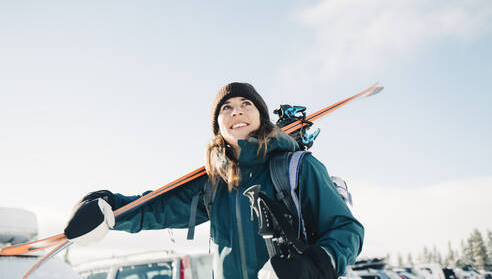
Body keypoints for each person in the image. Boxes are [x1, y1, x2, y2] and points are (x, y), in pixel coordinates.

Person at [64, 82, 364, 279]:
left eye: (246, 103)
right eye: (226, 107)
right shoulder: (215, 183)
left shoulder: (296, 167)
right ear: (218, 126)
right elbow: (158, 207)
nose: (236, 110)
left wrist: (315, 266)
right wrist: (109, 209)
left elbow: (346, 228)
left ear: (260, 115)